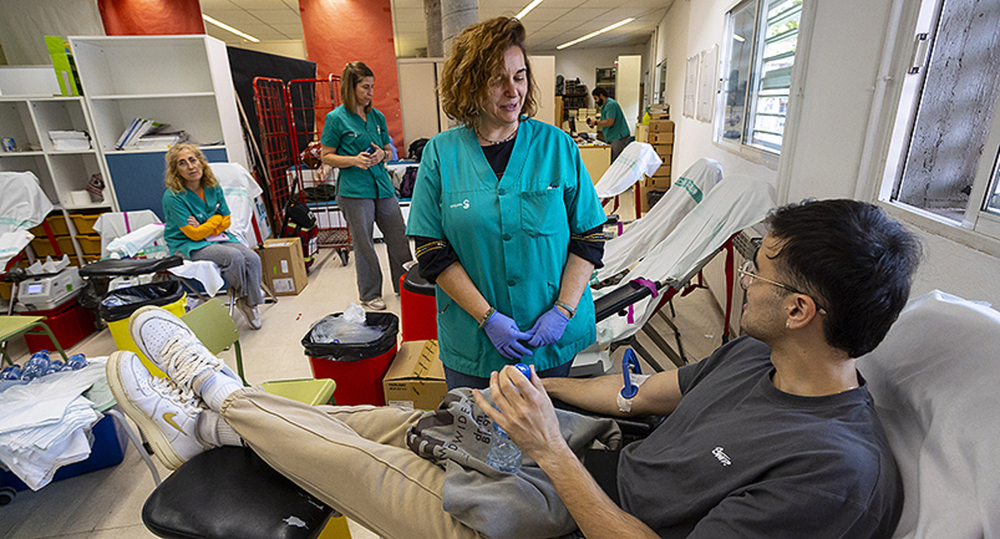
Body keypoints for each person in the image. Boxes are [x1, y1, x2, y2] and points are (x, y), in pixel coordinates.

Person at [105, 198, 920, 539]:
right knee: (391, 422)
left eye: (764, 268)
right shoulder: (757, 354)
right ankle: (208, 427)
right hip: (585, 460)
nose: (752, 273)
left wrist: (551, 451)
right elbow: (640, 390)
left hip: (565, 517)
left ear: (804, 310)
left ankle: (216, 389)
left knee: (365, 464)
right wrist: (544, 387)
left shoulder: (830, 471)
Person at [406, 17, 608, 389]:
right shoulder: (440, 154)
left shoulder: (557, 147)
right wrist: (488, 318)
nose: (512, 91)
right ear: (469, 85)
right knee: (477, 438)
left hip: (550, 338)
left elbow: (590, 235)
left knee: (547, 435)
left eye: (519, 76)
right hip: (475, 341)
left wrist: (563, 311)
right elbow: (431, 249)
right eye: (497, 79)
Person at [320, 61, 413, 311]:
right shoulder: (336, 119)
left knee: (399, 236)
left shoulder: (377, 116)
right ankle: (370, 294)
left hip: (382, 186)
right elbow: (326, 156)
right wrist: (354, 160)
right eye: (365, 87)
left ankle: (405, 285)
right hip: (354, 190)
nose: (371, 92)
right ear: (350, 88)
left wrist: (381, 156)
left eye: (372, 86)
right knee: (364, 244)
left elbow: (387, 150)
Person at [161, 143, 264, 329]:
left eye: (193, 160)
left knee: (253, 258)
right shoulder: (173, 197)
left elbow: (227, 220)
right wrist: (214, 221)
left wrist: (208, 224)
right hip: (187, 245)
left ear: (201, 162)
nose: (191, 166)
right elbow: (193, 234)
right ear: (176, 171)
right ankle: (248, 300)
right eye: (182, 163)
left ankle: (249, 302)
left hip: (216, 238)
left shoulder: (212, 185)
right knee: (234, 257)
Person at [587, 87, 632, 163]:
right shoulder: (605, 106)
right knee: (609, 158)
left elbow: (609, 122)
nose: (595, 101)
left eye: (595, 98)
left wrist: (596, 123)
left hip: (618, 137)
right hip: (613, 137)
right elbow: (603, 119)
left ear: (601, 96)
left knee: (613, 161)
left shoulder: (610, 104)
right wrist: (593, 122)